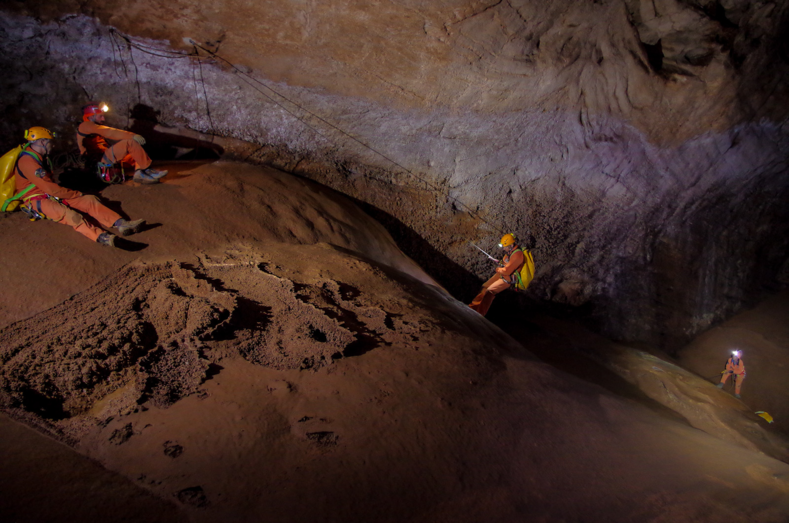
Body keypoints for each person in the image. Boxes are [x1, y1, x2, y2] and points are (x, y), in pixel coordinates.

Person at [14, 126, 146, 247]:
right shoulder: (28, 162)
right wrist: (75, 194)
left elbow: (52, 188)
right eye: (50, 142)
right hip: (37, 199)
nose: (52, 145)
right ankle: (103, 237)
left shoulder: (42, 157)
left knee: (90, 200)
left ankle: (121, 224)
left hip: (51, 194)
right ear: (42, 142)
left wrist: (76, 195)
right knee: (71, 215)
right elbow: (51, 189)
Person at [76, 103, 167, 185]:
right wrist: (132, 135)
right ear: (90, 117)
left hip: (104, 157)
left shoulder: (93, 127)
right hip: (98, 161)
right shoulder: (85, 125)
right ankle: (146, 170)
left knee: (135, 153)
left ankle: (141, 173)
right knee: (130, 142)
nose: (103, 119)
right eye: (100, 116)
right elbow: (109, 132)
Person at [469, 233, 525, 316]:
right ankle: (472, 307)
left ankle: (479, 314)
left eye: (505, 246)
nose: (503, 248)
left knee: (489, 292)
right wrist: (499, 262)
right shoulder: (510, 252)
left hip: (507, 278)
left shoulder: (517, 255)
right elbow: (506, 263)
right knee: (485, 287)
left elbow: (507, 271)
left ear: (511, 245)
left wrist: (498, 269)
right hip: (502, 273)